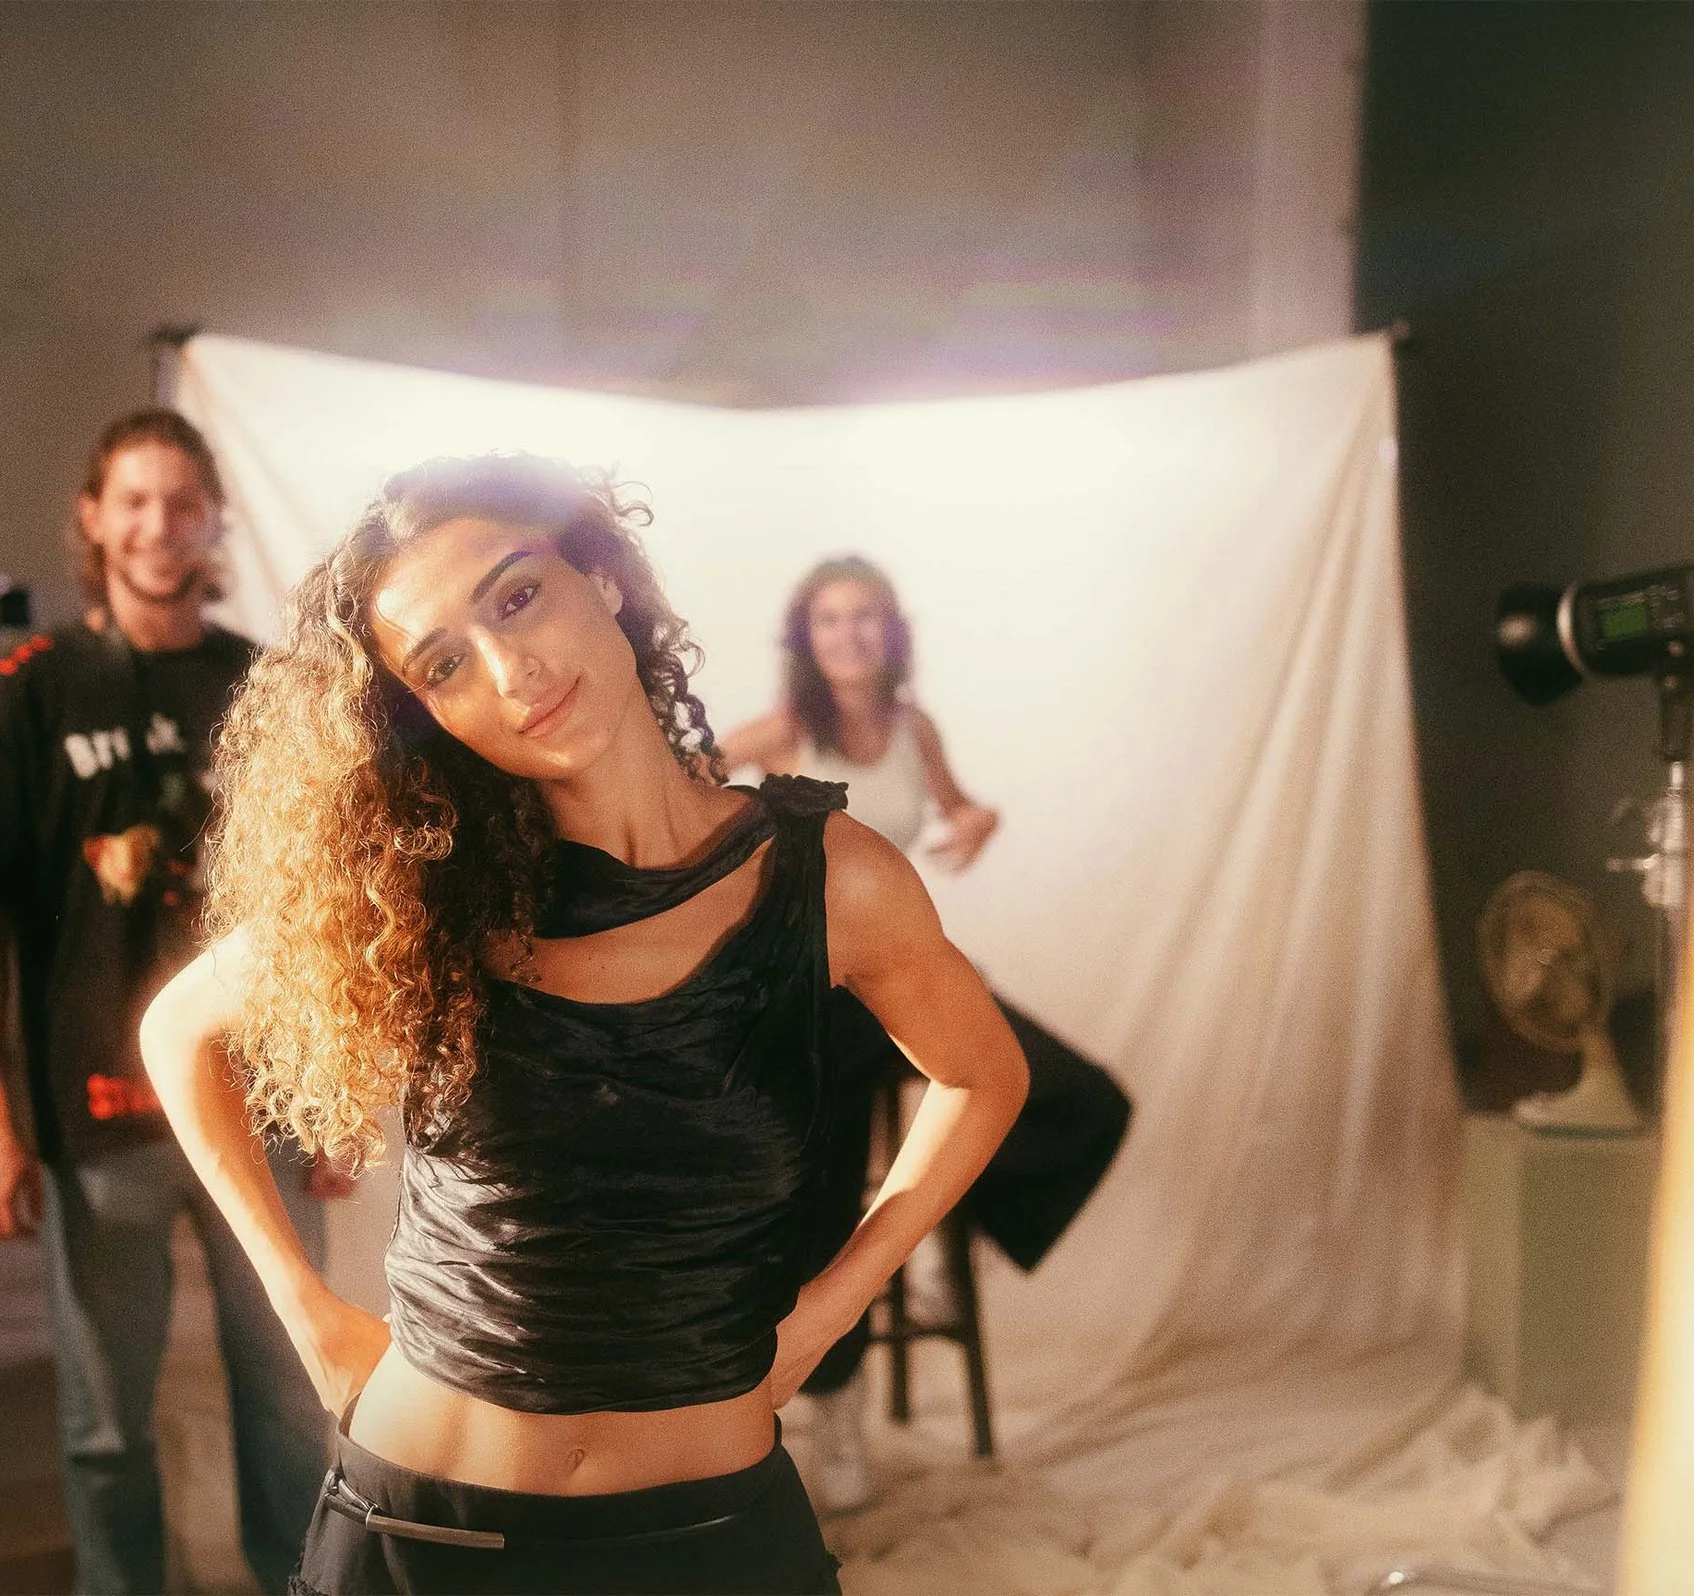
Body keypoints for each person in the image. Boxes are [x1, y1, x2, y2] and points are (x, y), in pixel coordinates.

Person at [139, 456, 1030, 1595]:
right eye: (446, 664)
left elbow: (982, 1075)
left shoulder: (831, 881)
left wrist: (823, 1316)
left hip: (714, 1539)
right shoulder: (418, 890)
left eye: (518, 597)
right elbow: (180, 1031)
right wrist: (303, 1307)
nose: (512, 671)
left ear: (601, 578)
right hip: (424, 1536)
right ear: (427, 716)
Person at [0, 410, 336, 1596]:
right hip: (99, 1117)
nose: (159, 526)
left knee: (293, 1390)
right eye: (135, 502)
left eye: (183, 502)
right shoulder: (27, 691)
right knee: (106, 1420)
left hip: (262, 1107)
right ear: (95, 520)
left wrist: (332, 1094)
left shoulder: (265, 685)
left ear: (214, 521)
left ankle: (298, 1584)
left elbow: (317, 904)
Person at [720, 554, 1132, 1513]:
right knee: (825, 1192)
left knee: (1081, 1101)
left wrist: (979, 818)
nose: (850, 635)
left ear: (892, 631)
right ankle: (837, 1408)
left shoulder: (915, 728)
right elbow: (675, 795)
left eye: (867, 616)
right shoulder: (780, 732)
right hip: (808, 993)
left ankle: (944, 1228)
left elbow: (955, 807)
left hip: (898, 974)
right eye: (830, 619)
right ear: (806, 639)